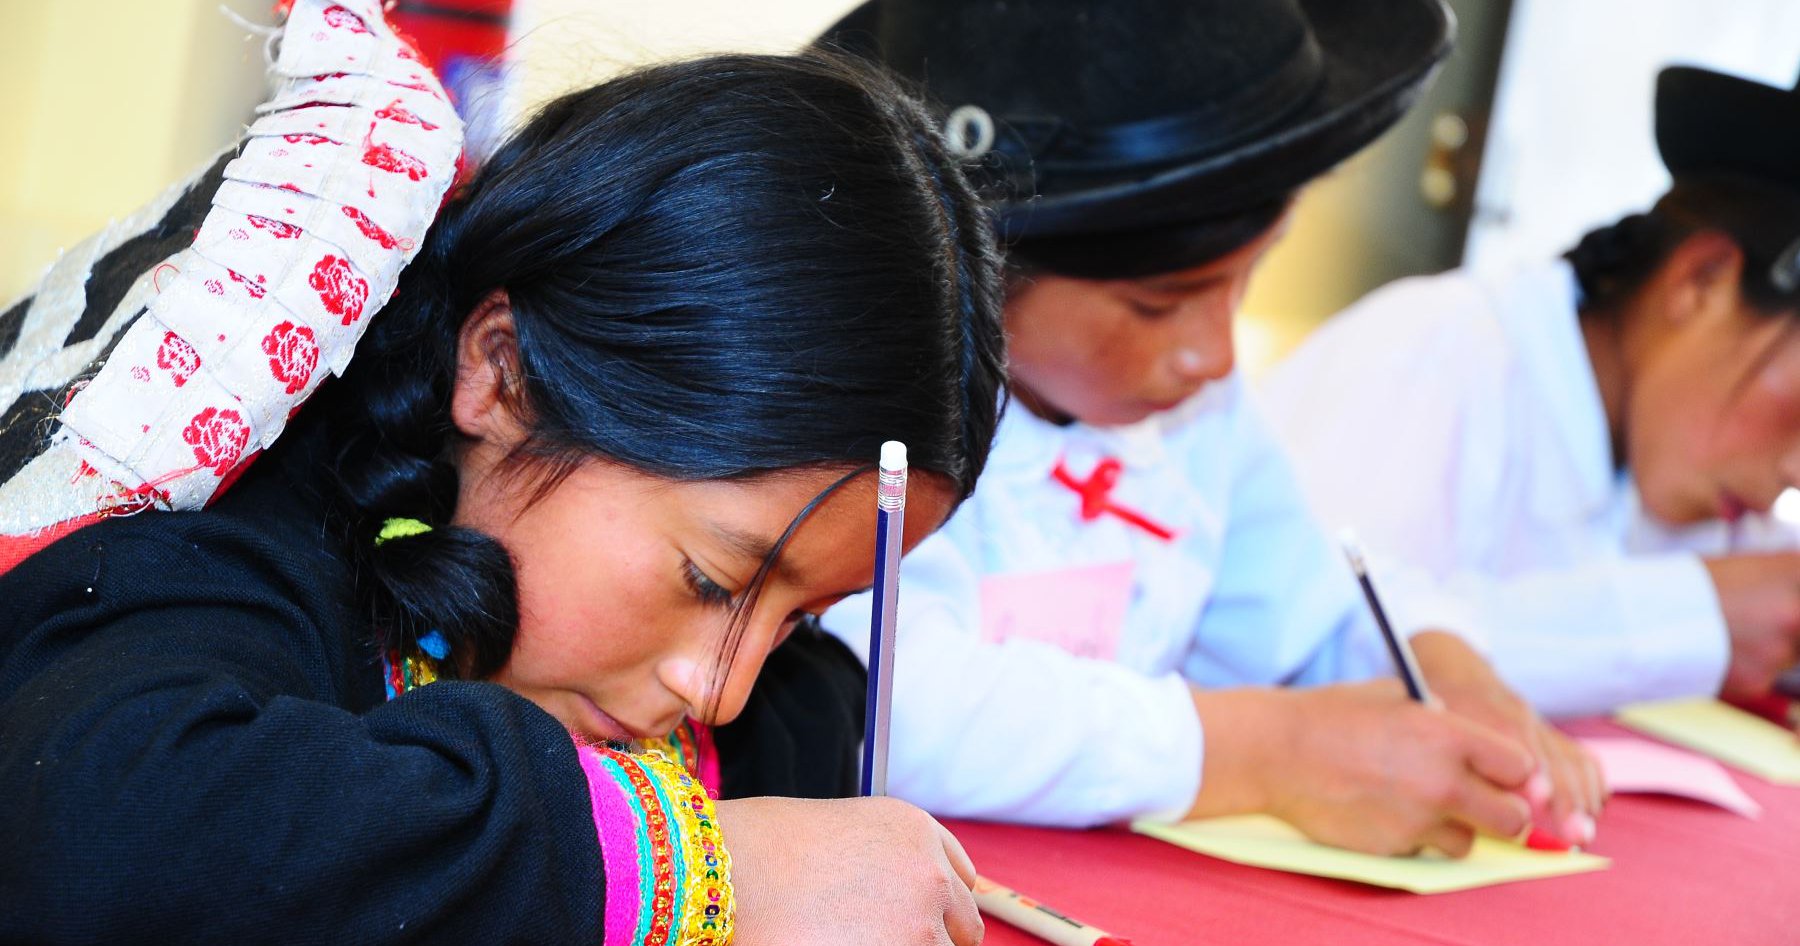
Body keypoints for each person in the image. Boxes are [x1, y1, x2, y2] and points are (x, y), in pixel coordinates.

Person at [0, 51, 1008, 946]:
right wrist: (702, 876)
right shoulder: (227, 521)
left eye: (792, 622)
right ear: (501, 374)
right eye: (712, 579)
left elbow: (813, 714)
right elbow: (106, 830)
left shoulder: (710, 683)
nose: (722, 690)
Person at [819, 0, 1603, 856]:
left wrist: (1438, 660)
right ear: (977, 261)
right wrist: (1263, 753)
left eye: (1244, 281)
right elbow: (891, 709)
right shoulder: (863, 421)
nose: (1217, 355)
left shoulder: (1200, 418)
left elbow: (1303, 613)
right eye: (1161, 305)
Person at [1261, 65, 1800, 720]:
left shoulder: (1694, 463)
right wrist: (1695, 612)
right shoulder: (1432, 354)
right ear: (1702, 280)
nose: (1794, 472)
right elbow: (1318, 649)